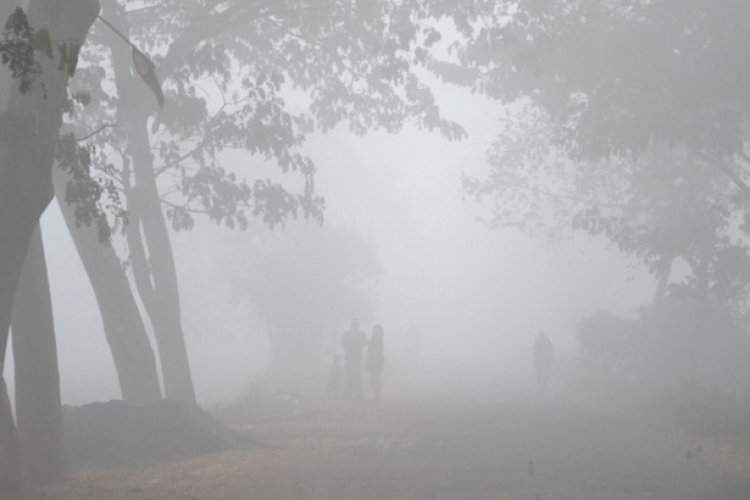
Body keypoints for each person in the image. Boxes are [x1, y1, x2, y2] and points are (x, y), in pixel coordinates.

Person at [341, 318, 368, 399]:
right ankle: (357, 394)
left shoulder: (347, 334)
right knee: (357, 375)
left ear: (352, 325)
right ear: (358, 325)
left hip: (350, 356)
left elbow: (343, 342)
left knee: (349, 374)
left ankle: (348, 393)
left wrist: (347, 348)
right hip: (357, 356)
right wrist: (359, 347)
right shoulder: (361, 334)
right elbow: (365, 342)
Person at [366, 324, 385, 401]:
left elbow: (373, 351)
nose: (373, 332)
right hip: (376, 361)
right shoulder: (378, 339)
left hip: (374, 361)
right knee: (374, 378)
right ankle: (377, 395)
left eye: (374, 330)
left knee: (374, 378)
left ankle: (377, 396)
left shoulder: (376, 339)